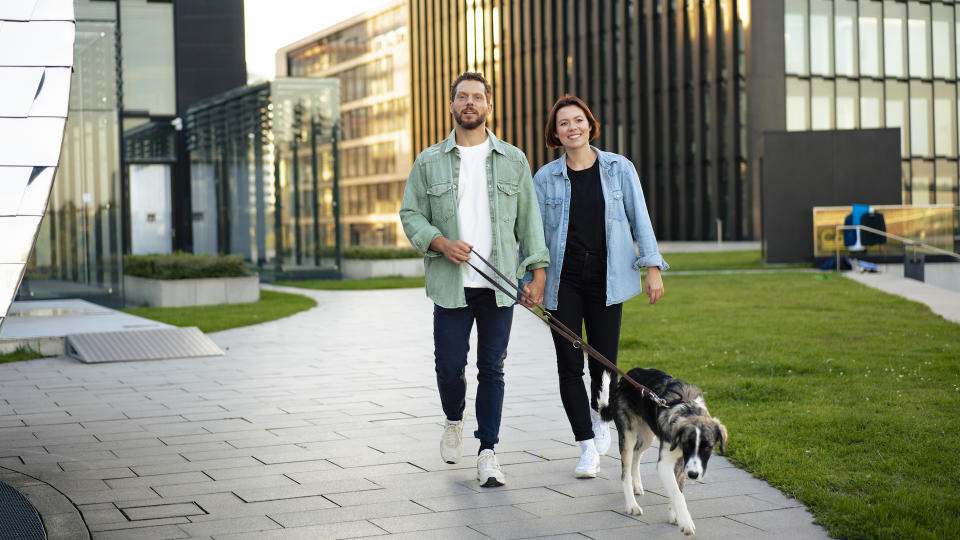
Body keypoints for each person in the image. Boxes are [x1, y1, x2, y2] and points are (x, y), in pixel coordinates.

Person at [399, 72, 550, 487]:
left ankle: (488, 451)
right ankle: (453, 420)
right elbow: (410, 214)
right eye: (462, 97)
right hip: (450, 283)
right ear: (451, 105)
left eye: (477, 97)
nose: (470, 103)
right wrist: (440, 242)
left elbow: (530, 223)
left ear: (488, 105)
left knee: (492, 368)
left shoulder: (513, 159)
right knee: (449, 367)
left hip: (499, 286)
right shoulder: (429, 161)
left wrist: (536, 276)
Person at [529, 95, 668, 478]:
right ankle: (586, 445)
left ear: (590, 124)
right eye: (563, 123)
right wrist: (532, 280)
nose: (572, 127)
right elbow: (534, 235)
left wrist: (652, 266)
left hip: (608, 278)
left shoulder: (619, 168)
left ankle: (602, 418)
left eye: (578, 120)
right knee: (569, 365)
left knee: (604, 364)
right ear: (555, 133)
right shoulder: (545, 178)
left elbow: (639, 217)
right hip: (563, 280)